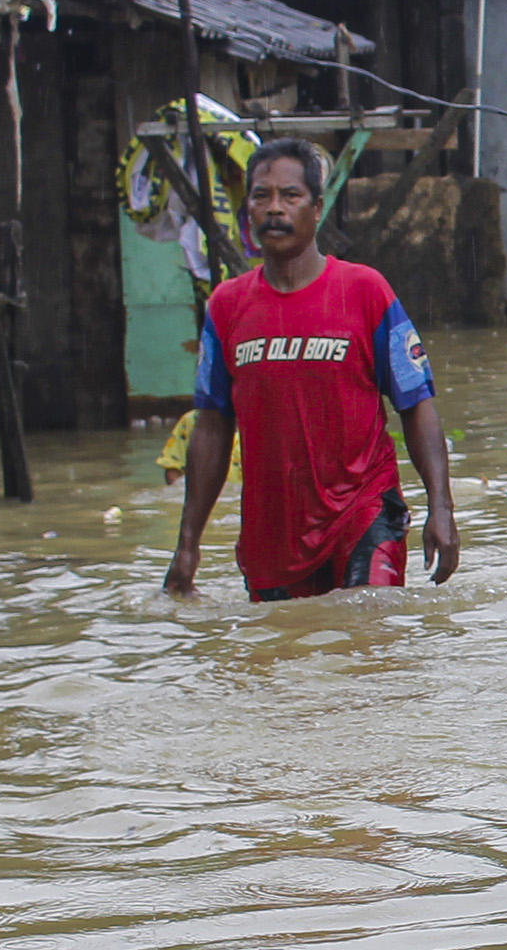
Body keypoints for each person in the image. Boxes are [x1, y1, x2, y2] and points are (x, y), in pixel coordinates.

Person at [163, 136, 463, 601]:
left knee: (370, 632)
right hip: (273, 536)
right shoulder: (227, 306)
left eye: (290, 196)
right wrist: (187, 546)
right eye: (261, 196)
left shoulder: (365, 292)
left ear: (317, 208)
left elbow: (416, 402)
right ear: (248, 212)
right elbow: (212, 428)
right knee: (285, 659)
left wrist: (440, 509)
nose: (274, 209)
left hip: (362, 511)